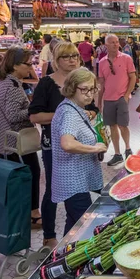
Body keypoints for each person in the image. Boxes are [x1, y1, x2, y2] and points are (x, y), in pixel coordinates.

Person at [29, 42, 99, 248]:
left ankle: (68, 243)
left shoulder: (82, 80)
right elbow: (34, 115)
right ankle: (49, 235)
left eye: (75, 56)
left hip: (78, 148)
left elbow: (93, 108)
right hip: (54, 146)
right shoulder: (47, 84)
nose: (72, 60)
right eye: (66, 57)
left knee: (75, 196)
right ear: (56, 61)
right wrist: (66, 115)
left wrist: (88, 113)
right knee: (54, 189)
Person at [0, 47, 43, 228]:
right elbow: (13, 115)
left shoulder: (2, 81)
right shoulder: (12, 86)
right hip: (17, 141)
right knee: (31, 174)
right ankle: (33, 214)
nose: (30, 68)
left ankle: (22, 213)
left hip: (6, 140)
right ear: (14, 65)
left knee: (19, 177)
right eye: (27, 64)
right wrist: (33, 108)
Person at [51, 68, 106, 235]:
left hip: (80, 179)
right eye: (84, 89)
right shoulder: (69, 112)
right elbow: (67, 143)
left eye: (93, 89)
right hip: (74, 182)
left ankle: (59, 256)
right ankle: (69, 259)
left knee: (74, 226)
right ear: (72, 88)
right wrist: (94, 148)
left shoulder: (76, 108)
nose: (90, 94)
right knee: (87, 228)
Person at [98, 34, 137, 166]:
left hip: (121, 98)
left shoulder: (126, 59)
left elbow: (133, 77)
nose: (115, 44)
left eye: (116, 42)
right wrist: (99, 102)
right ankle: (117, 154)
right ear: (105, 45)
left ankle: (128, 149)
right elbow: (102, 84)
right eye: (112, 42)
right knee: (112, 126)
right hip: (108, 99)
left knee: (123, 125)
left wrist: (126, 95)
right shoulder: (102, 62)